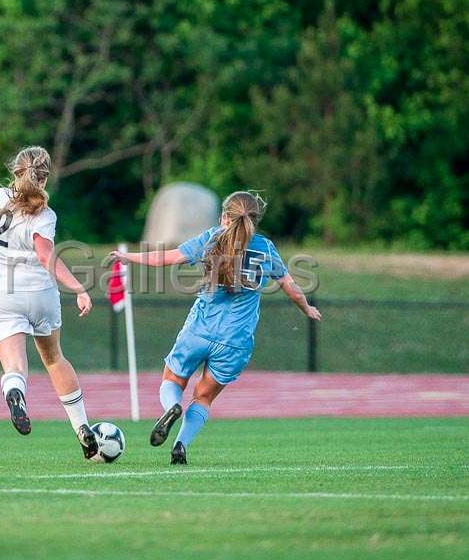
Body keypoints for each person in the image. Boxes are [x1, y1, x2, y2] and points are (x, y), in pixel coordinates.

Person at [108, 191, 321, 464]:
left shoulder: (210, 239)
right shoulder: (266, 248)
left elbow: (167, 258)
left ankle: (172, 406)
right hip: (236, 342)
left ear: (224, 216)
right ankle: (180, 446)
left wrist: (130, 258)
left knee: (172, 379)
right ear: (254, 221)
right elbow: (291, 288)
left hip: (199, 330)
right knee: (204, 397)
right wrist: (307, 309)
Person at [0, 146, 98, 459]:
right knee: (54, 358)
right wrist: (78, 287)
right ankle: (82, 428)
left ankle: (14, 390)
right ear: (44, 177)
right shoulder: (44, 214)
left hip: (0, 293)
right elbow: (45, 256)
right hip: (39, 293)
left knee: (15, 366)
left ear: (16, 171)